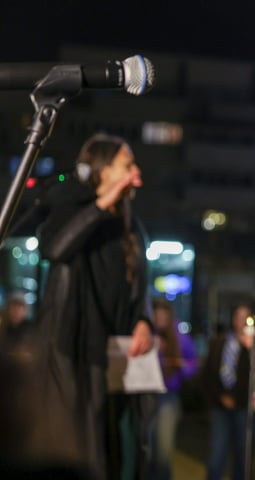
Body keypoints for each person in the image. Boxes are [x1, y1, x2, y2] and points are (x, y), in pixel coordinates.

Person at [33, 132, 154, 480]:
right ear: (103, 171)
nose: (135, 171)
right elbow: (54, 250)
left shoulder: (132, 227)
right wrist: (100, 205)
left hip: (115, 357)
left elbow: (139, 287)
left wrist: (143, 320)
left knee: (113, 448)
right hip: (73, 351)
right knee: (79, 447)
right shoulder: (70, 209)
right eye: (126, 165)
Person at [202, 303, 254, 480]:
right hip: (220, 405)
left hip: (243, 406)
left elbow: (252, 378)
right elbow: (209, 372)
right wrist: (219, 397)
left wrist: (251, 348)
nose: (241, 322)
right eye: (238, 317)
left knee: (242, 454)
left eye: (245, 318)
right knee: (218, 451)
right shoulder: (220, 341)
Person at [149, 298, 199, 480]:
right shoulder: (148, 334)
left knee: (163, 451)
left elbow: (194, 365)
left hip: (168, 397)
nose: (160, 318)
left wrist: (180, 365)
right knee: (148, 449)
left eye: (164, 315)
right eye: (157, 315)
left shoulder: (179, 338)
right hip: (148, 395)